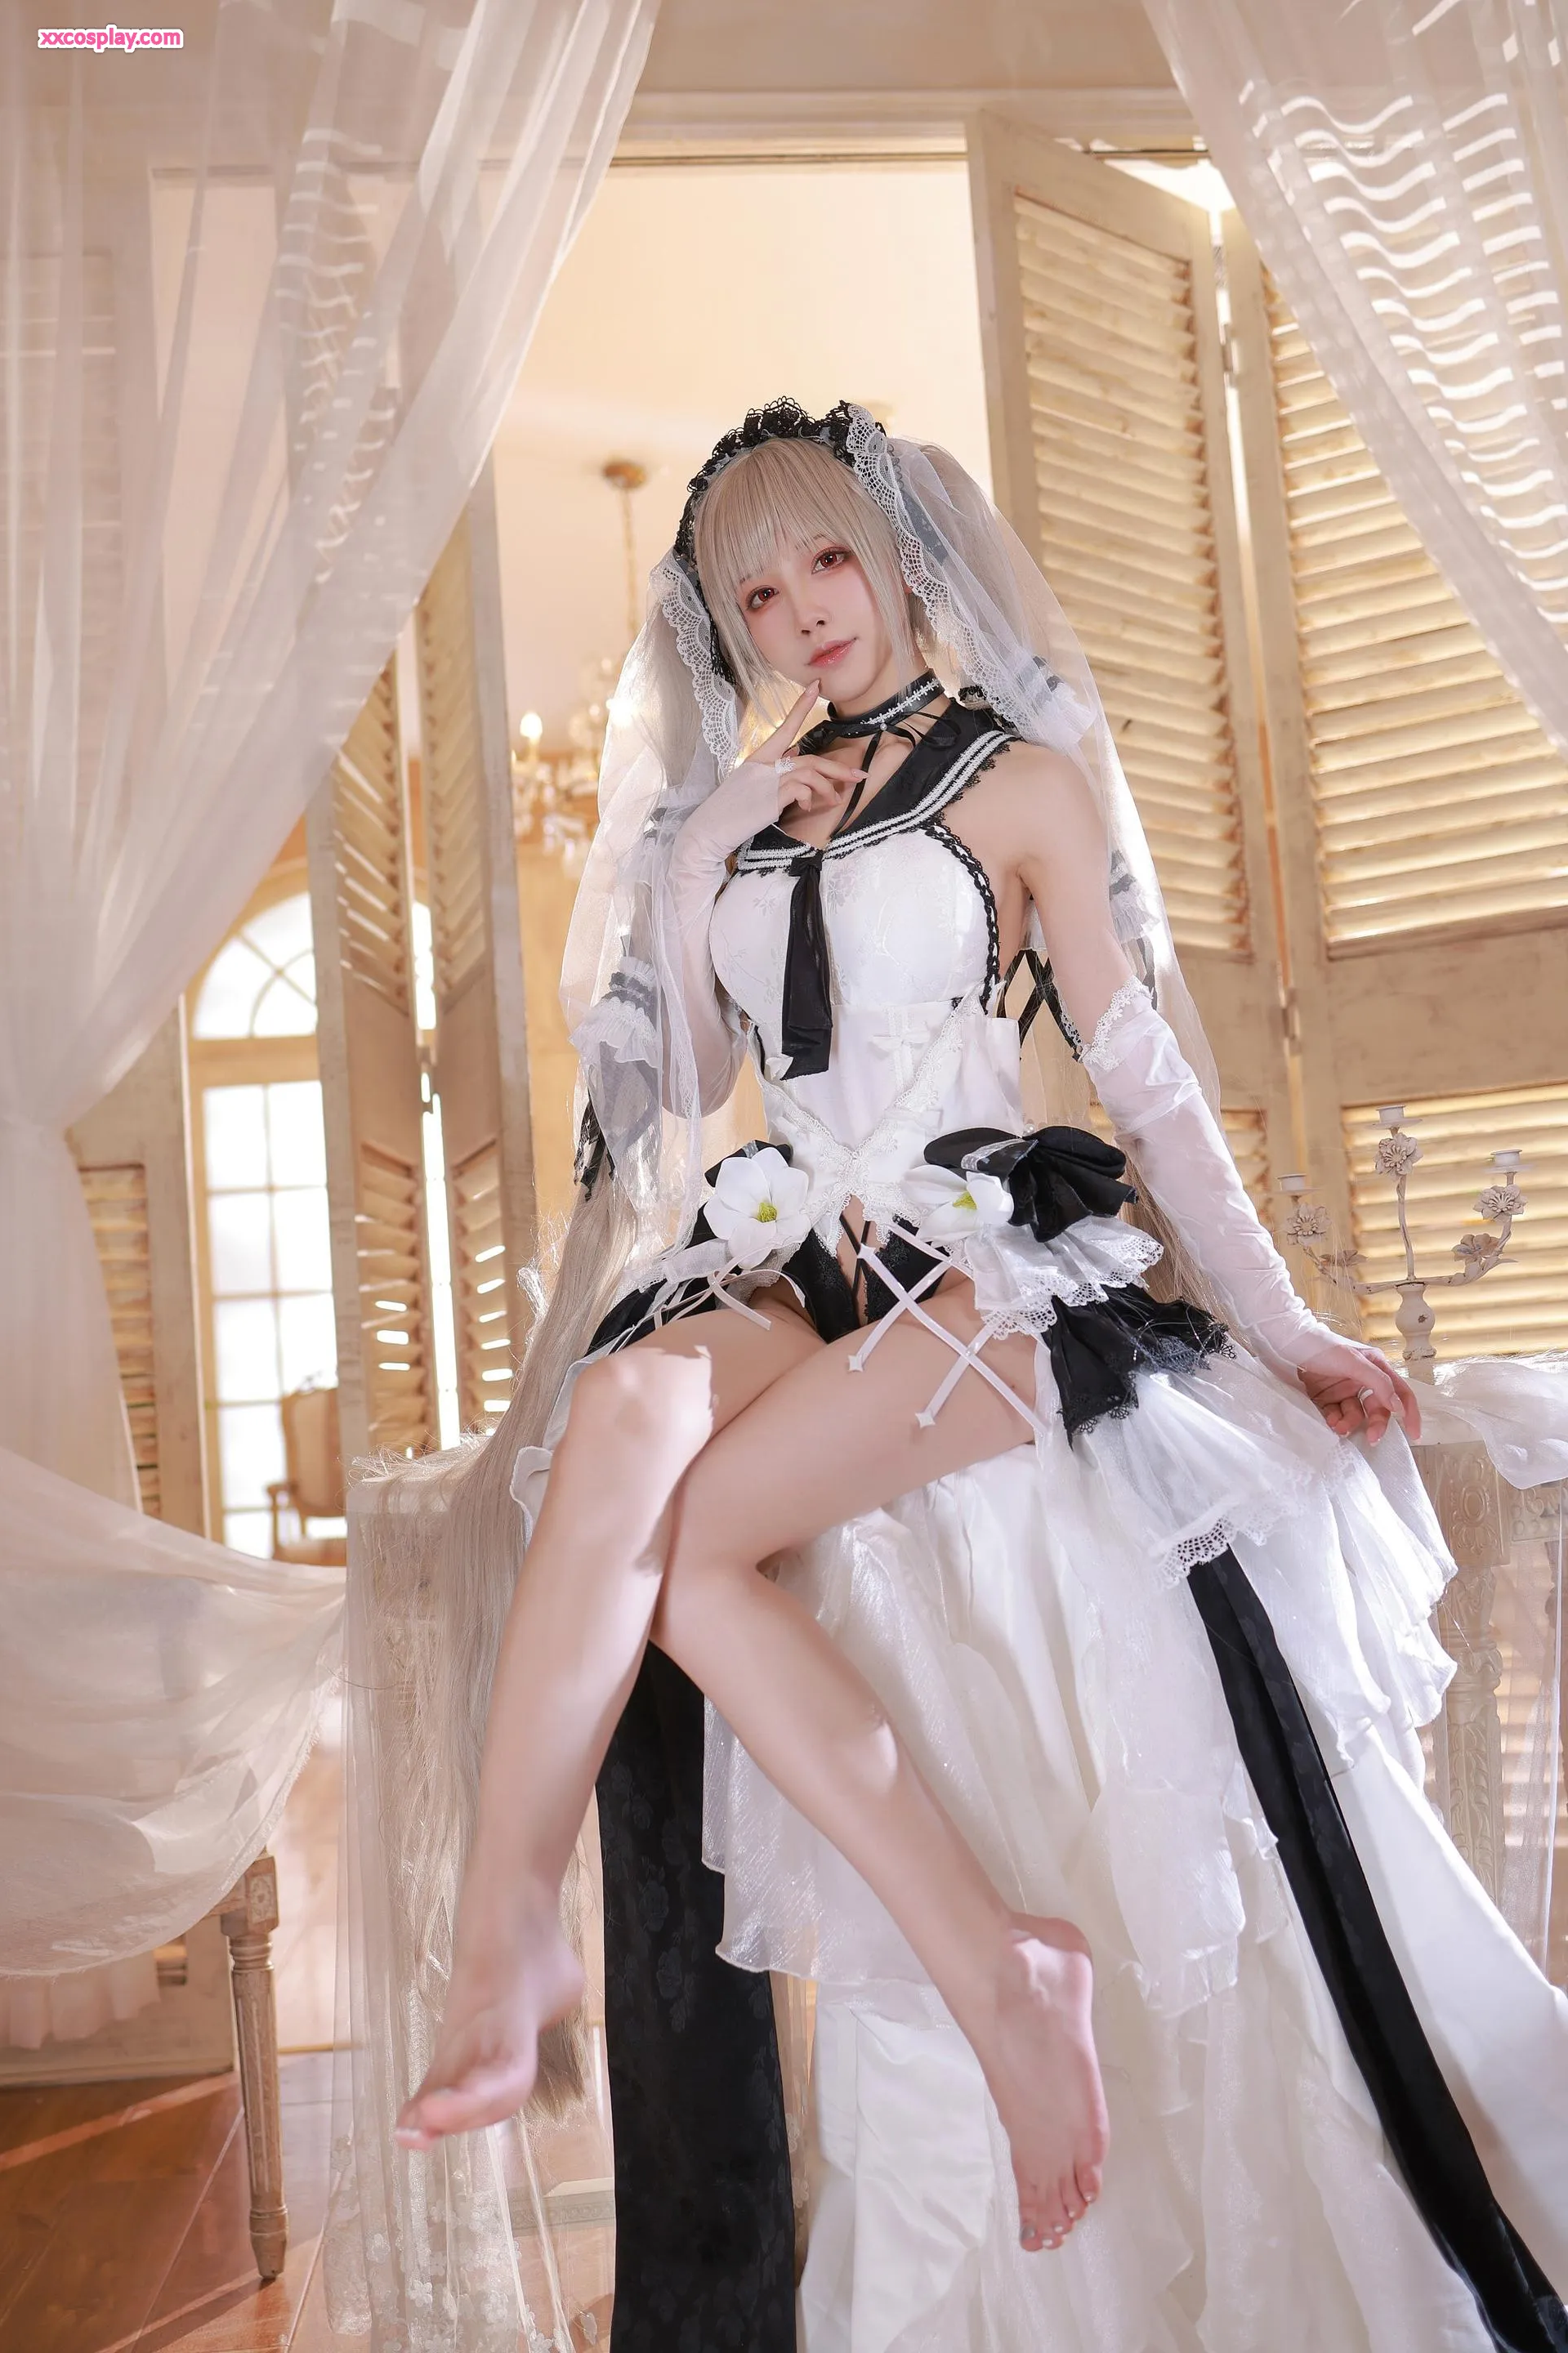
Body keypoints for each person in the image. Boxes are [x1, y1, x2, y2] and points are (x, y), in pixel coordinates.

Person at [392, 400, 1568, 2350]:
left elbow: (1149, 1084)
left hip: (982, 1267)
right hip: (796, 1258)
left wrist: (1285, 1324)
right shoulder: (752, 805)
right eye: (756, 597)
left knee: (685, 1561)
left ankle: (993, 1974)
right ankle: (506, 1932)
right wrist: (696, 850)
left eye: (824, 561)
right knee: (623, 1413)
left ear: (894, 551)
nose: (801, 612)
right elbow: (689, 1084)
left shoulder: (1022, 784)